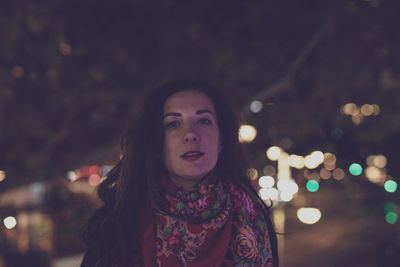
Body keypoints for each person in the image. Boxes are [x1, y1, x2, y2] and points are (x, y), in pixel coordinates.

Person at [81, 80, 279, 267]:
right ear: (158, 143)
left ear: (221, 140)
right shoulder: (117, 224)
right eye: (173, 124)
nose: (191, 134)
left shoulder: (253, 216)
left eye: (203, 120)